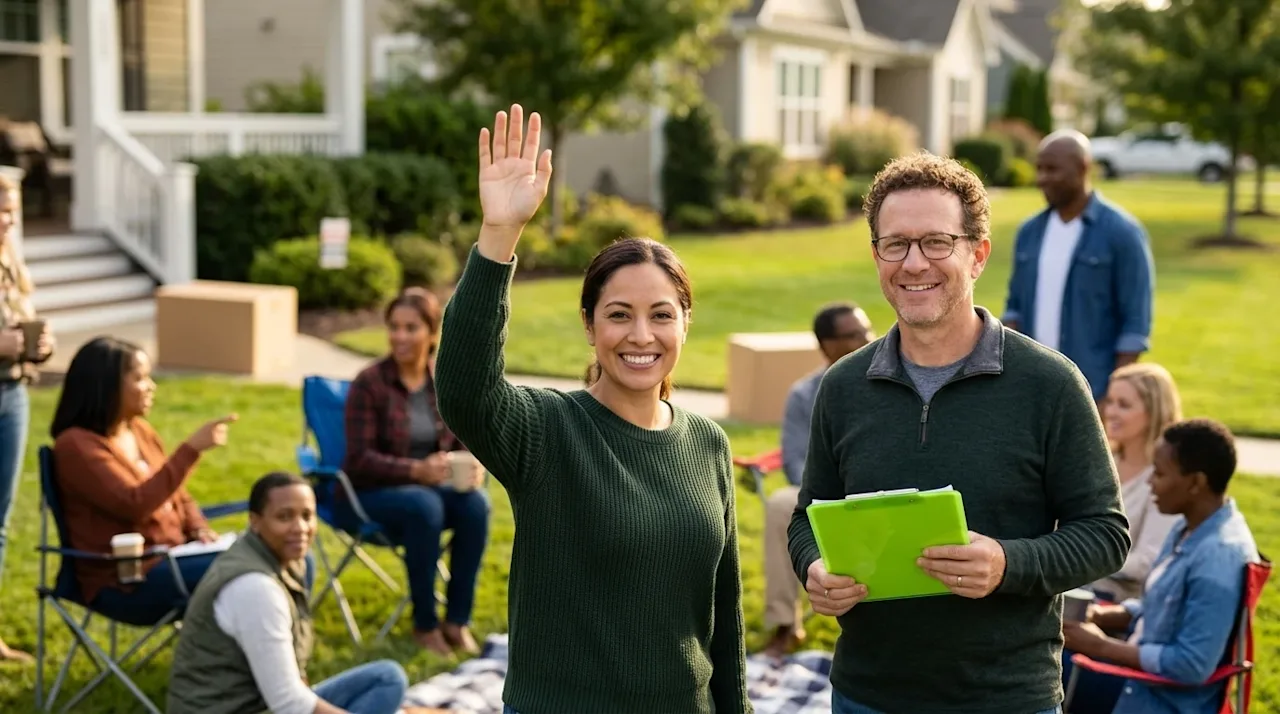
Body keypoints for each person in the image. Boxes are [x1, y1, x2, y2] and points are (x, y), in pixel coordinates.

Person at [787, 152, 1131, 713]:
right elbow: (807, 517)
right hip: (868, 695)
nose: (914, 263)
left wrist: (1007, 562)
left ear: (978, 255)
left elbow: (1106, 534)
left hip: (1004, 697)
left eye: (936, 242)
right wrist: (814, 569)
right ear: (877, 256)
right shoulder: (843, 386)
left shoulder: (1050, 384)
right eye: (895, 244)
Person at [434, 104, 750, 714]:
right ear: (589, 326)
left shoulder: (707, 443)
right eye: (618, 315)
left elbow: (725, 615)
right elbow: (465, 389)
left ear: (685, 323)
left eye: (661, 315)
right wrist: (499, 236)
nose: (641, 336)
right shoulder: (547, 431)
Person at [168, 472, 418, 714]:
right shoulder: (255, 588)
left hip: (258, 702)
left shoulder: (275, 556)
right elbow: (289, 704)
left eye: (307, 516)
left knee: (387, 680)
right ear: (255, 521)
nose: (300, 528)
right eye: (284, 517)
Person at [1062, 419, 1260, 714]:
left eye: (1160, 473)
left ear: (1196, 483)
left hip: (1158, 700)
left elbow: (1191, 665)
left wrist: (1100, 647)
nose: (1150, 481)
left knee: (1039, 670)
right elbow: (1163, 609)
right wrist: (1098, 615)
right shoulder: (1189, 526)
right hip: (1137, 676)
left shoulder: (1218, 558)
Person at [342, 287, 489, 656]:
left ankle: (456, 621)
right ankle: (425, 625)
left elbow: (461, 440)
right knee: (424, 506)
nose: (400, 336)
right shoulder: (369, 383)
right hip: (367, 493)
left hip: (430, 491)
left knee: (475, 506)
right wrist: (415, 470)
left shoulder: (443, 380)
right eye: (394, 327)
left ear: (432, 333)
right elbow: (358, 460)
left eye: (411, 328)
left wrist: (472, 465)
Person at [50, 337, 237, 624]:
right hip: (126, 580)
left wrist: (198, 529)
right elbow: (133, 504)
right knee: (252, 565)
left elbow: (178, 495)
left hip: (174, 558)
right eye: (140, 378)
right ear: (107, 386)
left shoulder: (139, 431)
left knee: (279, 553)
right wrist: (190, 450)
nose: (151, 386)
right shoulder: (75, 447)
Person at [1002, 129, 1155, 404]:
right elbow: (1014, 307)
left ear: (1083, 168)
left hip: (1092, 390)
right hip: (1032, 387)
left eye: (1052, 170)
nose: (1041, 179)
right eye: (1039, 169)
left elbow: (1135, 323)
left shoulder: (1122, 233)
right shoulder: (1029, 232)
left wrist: (1113, 396)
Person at [762, 302, 874, 658]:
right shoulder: (803, 395)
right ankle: (784, 624)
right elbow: (795, 461)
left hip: (886, 491)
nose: (867, 339)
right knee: (781, 503)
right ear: (826, 345)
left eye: (867, 330)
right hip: (824, 495)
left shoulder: (891, 379)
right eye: (853, 335)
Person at [0, 173, 53, 662]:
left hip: (12, 393)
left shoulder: (10, 263)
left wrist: (40, 343)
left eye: (11, 211)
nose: (7, 220)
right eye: (0, 211)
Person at [1090, 362, 1183, 601]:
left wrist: (1077, 557)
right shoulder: (1099, 460)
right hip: (1075, 587)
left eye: (1124, 405)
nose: (1110, 412)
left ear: (1154, 412)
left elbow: (1147, 561)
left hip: (1119, 605)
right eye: (1109, 401)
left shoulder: (1165, 479)